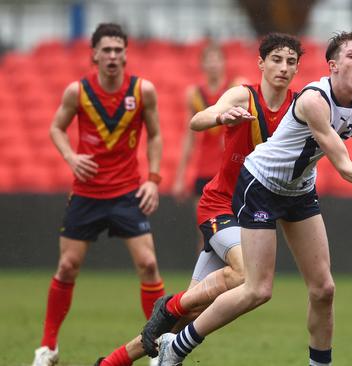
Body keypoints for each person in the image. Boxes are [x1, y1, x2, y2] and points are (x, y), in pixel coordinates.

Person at [154, 30, 352, 366]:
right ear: (333, 65)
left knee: (324, 289)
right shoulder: (313, 100)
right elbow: (346, 168)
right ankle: (176, 346)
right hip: (261, 184)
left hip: (300, 191)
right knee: (258, 289)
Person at [94, 32, 305, 366]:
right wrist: (222, 116)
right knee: (246, 276)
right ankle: (169, 306)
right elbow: (198, 119)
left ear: (297, 69)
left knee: (189, 314)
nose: (283, 67)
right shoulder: (242, 95)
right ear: (261, 63)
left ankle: (113, 361)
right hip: (220, 205)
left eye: (291, 62)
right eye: (276, 59)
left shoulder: (299, 105)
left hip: (254, 214)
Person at [32, 23, 165, 366]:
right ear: (93, 54)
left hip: (126, 193)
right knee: (67, 265)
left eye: (118, 49)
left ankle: (161, 344)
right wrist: (71, 157)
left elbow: (154, 135)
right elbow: (55, 128)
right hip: (87, 194)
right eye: (106, 50)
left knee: (149, 265)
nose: (112, 56)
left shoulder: (143, 90)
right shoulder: (77, 92)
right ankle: (48, 348)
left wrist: (152, 179)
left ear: (125, 54)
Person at [171, 42, 241, 252]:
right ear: (202, 65)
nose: (213, 65)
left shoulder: (235, 88)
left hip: (231, 170)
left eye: (216, 60)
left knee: (236, 229)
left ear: (223, 63)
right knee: (205, 231)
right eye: (208, 60)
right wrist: (180, 177)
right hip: (204, 170)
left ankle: (237, 280)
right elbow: (189, 136)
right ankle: (204, 281)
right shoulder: (194, 94)